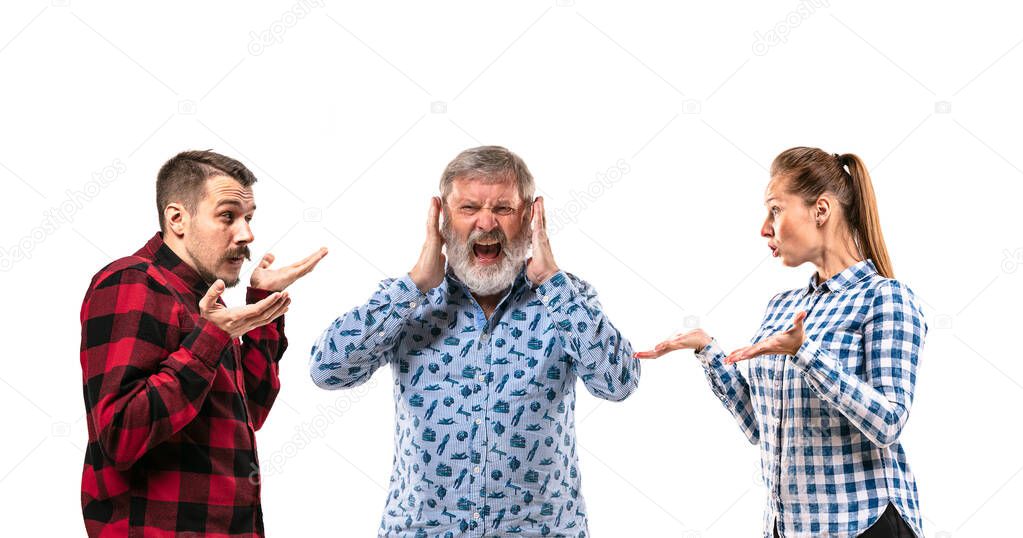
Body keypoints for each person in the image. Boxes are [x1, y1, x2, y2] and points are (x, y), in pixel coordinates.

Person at [310, 145, 641, 536]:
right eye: (468, 208)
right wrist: (414, 283)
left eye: (503, 208)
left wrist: (553, 282)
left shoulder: (567, 299)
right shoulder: (407, 302)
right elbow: (327, 370)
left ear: (531, 216)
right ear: (443, 220)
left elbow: (619, 384)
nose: (486, 223)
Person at [635, 147, 926, 538]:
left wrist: (805, 353)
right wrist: (708, 351)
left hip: (865, 525)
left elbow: (889, 422)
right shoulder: (783, 307)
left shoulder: (886, 298)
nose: (764, 228)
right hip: (787, 528)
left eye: (775, 209)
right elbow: (760, 426)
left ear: (820, 210)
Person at [79, 150, 327, 537]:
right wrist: (213, 336)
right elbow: (121, 435)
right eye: (228, 216)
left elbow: (252, 411)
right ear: (177, 219)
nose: (246, 234)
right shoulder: (132, 281)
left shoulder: (205, 302)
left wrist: (261, 307)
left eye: (248, 218)